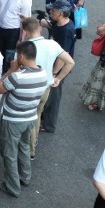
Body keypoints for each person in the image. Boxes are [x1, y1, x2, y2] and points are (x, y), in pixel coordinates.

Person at [0, 41, 48, 198]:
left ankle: (12, 187)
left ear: (22, 56)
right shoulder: (43, 73)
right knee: (24, 147)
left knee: (10, 153)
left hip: (13, 119)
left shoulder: (17, 77)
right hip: (30, 117)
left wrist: (10, 70)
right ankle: (25, 177)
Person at [21, 17, 75, 159]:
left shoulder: (24, 48)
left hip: (30, 88)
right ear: (40, 28)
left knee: (27, 117)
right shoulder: (52, 44)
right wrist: (57, 78)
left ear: (25, 31)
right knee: (37, 115)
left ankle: (29, 148)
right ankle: (34, 142)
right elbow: (70, 62)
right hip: (45, 87)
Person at [39, 0, 76, 134]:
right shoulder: (59, 23)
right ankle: (43, 117)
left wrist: (54, 73)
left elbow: (62, 56)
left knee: (53, 97)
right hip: (52, 65)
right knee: (47, 95)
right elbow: (48, 24)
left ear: (60, 13)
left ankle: (49, 125)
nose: (50, 12)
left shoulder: (66, 30)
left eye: (53, 10)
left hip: (58, 68)